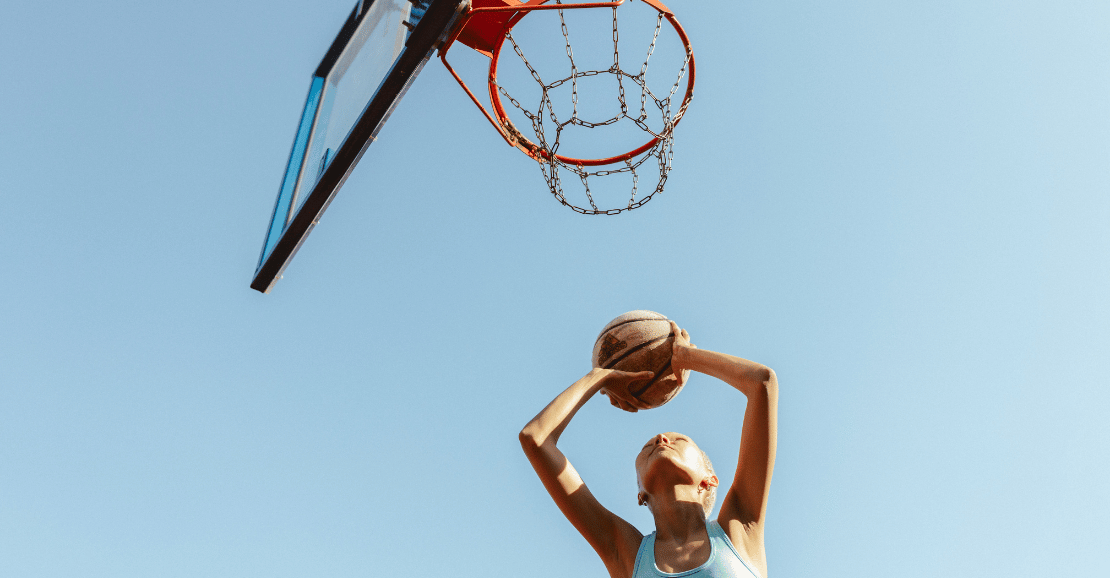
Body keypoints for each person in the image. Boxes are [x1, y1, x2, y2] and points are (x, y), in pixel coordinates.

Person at [519, 321, 778, 578]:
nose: (661, 439)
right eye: (647, 447)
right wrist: (599, 376)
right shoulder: (627, 553)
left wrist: (685, 356)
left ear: (709, 480)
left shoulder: (739, 529)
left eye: (680, 440)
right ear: (640, 493)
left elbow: (762, 383)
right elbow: (535, 438)